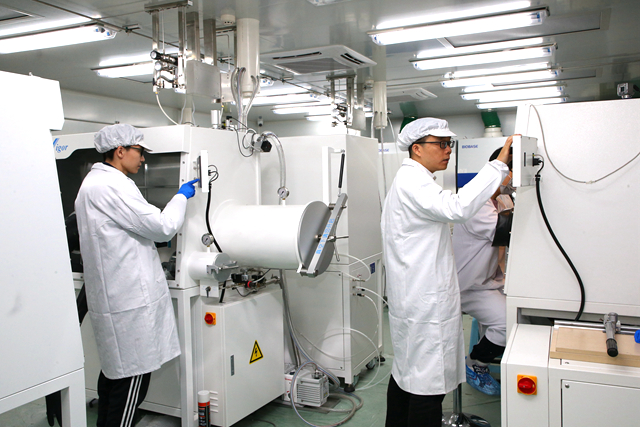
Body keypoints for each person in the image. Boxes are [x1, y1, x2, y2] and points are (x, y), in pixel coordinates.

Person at [381, 117, 514, 427]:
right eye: (440, 144)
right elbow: (457, 207)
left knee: (408, 375)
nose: (448, 150)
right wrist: (498, 165)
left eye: (449, 143)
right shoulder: (412, 181)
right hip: (424, 302)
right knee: (428, 384)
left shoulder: (417, 180)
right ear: (416, 148)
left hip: (417, 298)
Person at [75, 124, 199, 427]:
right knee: (131, 381)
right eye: (139, 151)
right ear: (120, 151)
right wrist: (181, 197)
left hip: (117, 297)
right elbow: (162, 227)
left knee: (114, 376)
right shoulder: (111, 186)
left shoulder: (93, 183)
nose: (142, 159)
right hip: (128, 301)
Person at [453, 147, 514, 396]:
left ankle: (485, 351)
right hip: (470, 285)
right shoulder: (477, 204)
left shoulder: (502, 199)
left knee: (522, 312)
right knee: (508, 323)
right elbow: (505, 232)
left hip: (490, 279)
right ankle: (475, 364)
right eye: (512, 172)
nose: (514, 181)